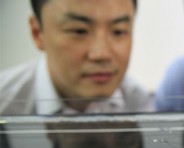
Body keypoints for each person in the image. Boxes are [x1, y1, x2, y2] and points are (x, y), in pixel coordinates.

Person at [0, 0, 153, 115]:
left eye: (118, 31)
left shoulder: (137, 102)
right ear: (37, 33)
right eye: (79, 31)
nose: (101, 54)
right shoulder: (5, 103)